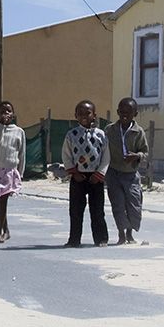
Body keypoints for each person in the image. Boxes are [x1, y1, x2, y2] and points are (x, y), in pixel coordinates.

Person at [61, 100, 110, 248]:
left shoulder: (101, 135)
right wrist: (73, 172)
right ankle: (74, 239)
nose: (84, 116)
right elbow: (66, 155)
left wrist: (100, 174)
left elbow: (106, 156)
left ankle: (101, 238)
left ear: (94, 115)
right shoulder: (71, 135)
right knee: (75, 210)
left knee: (97, 210)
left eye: (87, 113)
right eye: (80, 113)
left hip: (96, 178)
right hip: (78, 177)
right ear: (75, 116)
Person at [105, 97, 149, 244]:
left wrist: (137, 156)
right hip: (114, 173)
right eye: (122, 112)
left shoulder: (138, 132)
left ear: (135, 114)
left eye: (128, 113)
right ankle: (121, 234)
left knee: (134, 204)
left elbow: (145, 152)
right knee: (118, 204)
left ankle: (130, 233)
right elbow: (102, 149)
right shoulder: (110, 130)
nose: (124, 115)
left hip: (131, 174)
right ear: (117, 112)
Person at [0, 100, 26, 243]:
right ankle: (6, 229)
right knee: (0, 199)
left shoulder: (19, 132)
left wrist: (20, 173)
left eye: (8, 111)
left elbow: (21, 154)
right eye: (2, 111)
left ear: (13, 114)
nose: (5, 114)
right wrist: (0, 126)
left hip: (10, 171)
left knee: (2, 199)